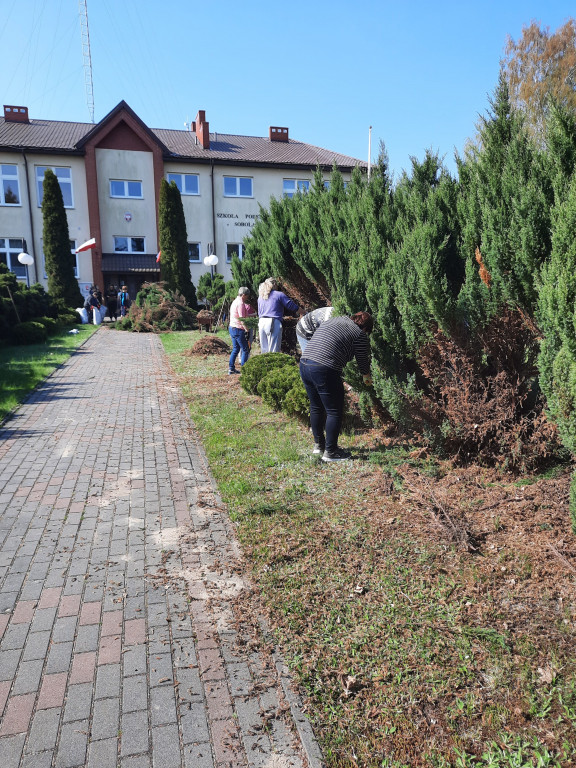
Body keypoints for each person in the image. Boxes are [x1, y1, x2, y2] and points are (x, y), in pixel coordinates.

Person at [299, 312, 373, 462]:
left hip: (305, 363)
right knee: (334, 410)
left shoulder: (335, 320)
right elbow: (362, 361)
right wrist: (367, 377)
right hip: (323, 368)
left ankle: (319, 446)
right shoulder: (359, 334)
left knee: (316, 407)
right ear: (365, 327)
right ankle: (331, 452)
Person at [257, 278, 299, 353]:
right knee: (274, 351)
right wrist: (303, 312)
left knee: (264, 351)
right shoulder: (279, 294)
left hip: (261, 322)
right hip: (272, 322)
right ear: (274, 284)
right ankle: (273, 365)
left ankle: (265, 365)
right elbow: (291, 305)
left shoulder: (261, 297)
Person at [228, 287, 255, 375]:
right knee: (245, 349)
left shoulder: (235, 301)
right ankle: (244, 370)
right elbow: (242, 319)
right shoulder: (240, 304)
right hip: (238, 329)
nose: (248, 297)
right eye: (247, 296)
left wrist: (253, 315)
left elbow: (243, 315)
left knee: (236, 349)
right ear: (243, 295)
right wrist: (247, 330)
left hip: (232, 327)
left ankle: (231, 368)